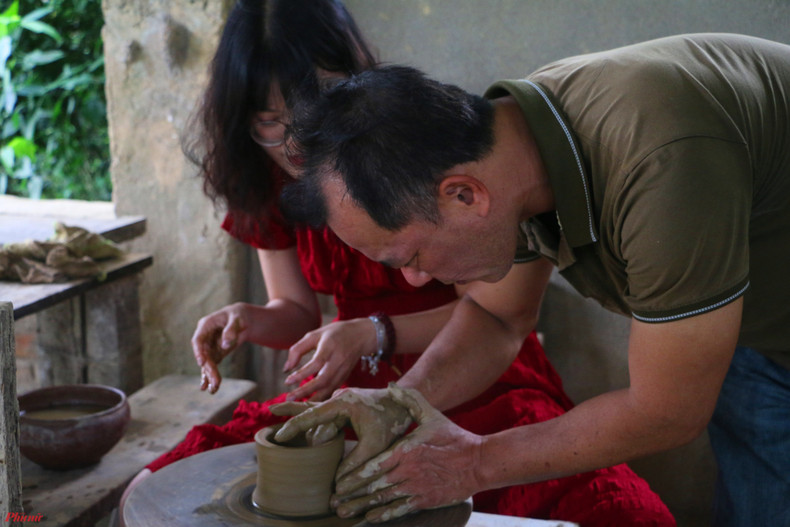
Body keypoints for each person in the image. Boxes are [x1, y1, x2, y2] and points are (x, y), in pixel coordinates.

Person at [120, 1, 677, 525]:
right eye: (272, 121)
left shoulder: (422, 148)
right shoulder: (269, 186)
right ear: (241, 118)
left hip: (472, 371)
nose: (297, 145)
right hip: (353, 388)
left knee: (617, 511)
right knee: (162, 489)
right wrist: (250, 318)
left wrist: (374, 334)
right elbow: (296, 311)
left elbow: (493, 313)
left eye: (316, 107)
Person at [274, 34, 790, 526]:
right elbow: (497, 316)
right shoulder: (506, 149)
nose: (412, 280)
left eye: (412, 254)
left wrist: (473, 464)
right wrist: (398, 401)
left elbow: (667, 412)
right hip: (756, 326)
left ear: (464, 196)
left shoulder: (661, 162)